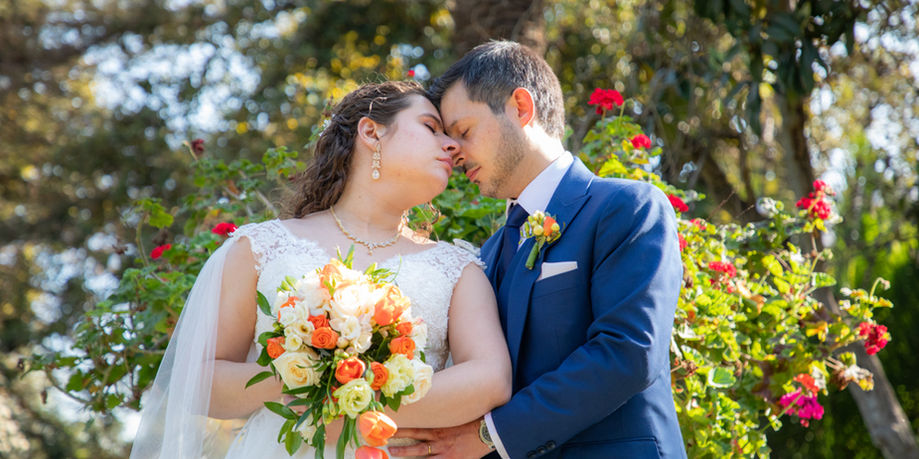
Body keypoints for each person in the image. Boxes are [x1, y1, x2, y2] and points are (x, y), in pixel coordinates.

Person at [129, 81, 512, 458]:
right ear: (371, 132)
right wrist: (299, 376)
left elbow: (491, 380)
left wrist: (356, 404)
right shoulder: (261, 248)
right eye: (431, 127)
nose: (452, 146)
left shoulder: (458, 268)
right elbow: (198, 378)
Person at [389, 41, 686, 459]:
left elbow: (628, 352)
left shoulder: (627, 208)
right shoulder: (487, 255)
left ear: (521, 107)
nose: (454, 154)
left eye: (464, 132)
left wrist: (489, 436)